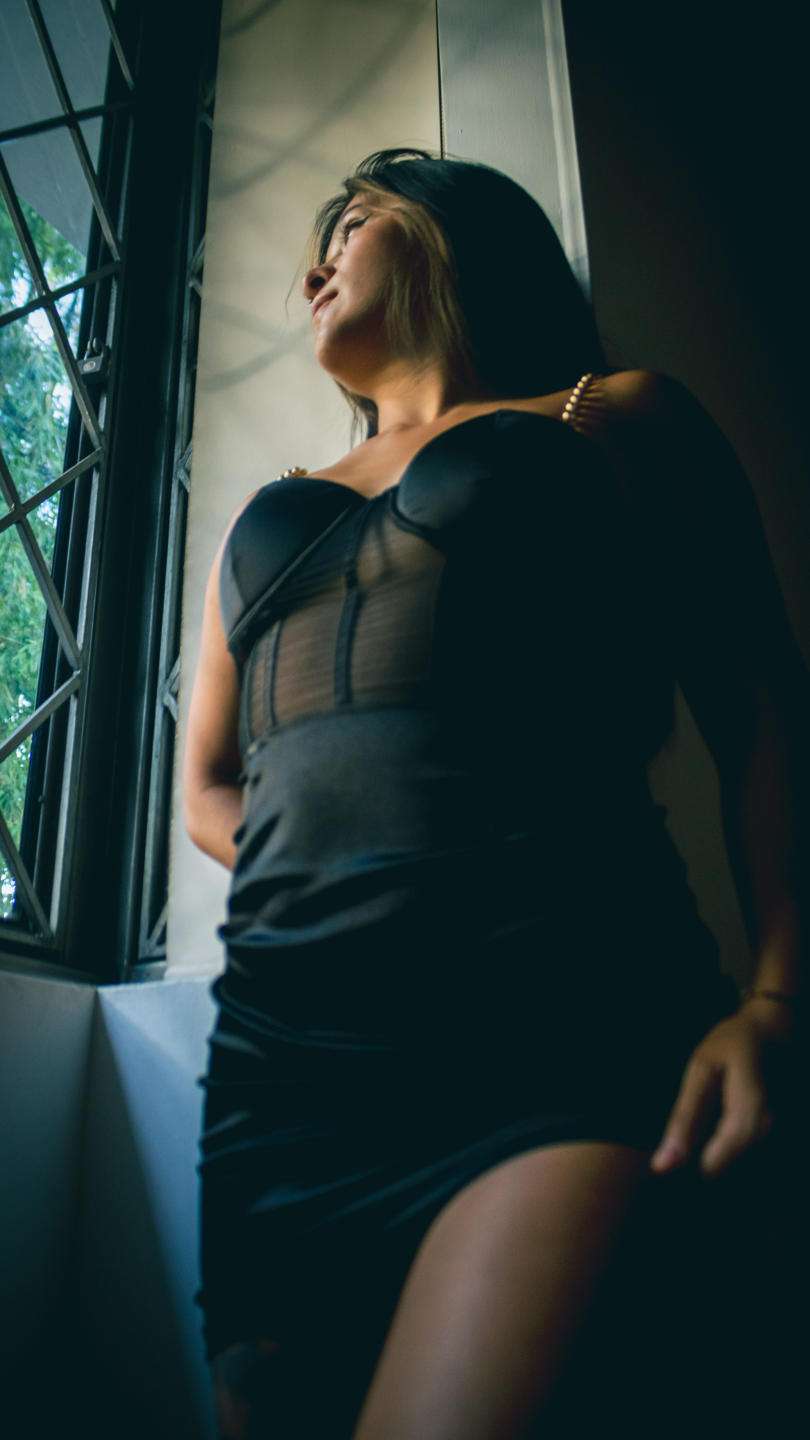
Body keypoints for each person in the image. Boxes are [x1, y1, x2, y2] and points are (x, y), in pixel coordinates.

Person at [184, 149, 807, 1439]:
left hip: (554, 1025)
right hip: (283, 1079)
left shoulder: (615, 416)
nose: (313, 271)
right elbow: (207, 784)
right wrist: (347, 876)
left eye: (350, 228)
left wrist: (778, 1000)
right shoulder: (269, 511)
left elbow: (760, 709)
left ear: (449, 234)